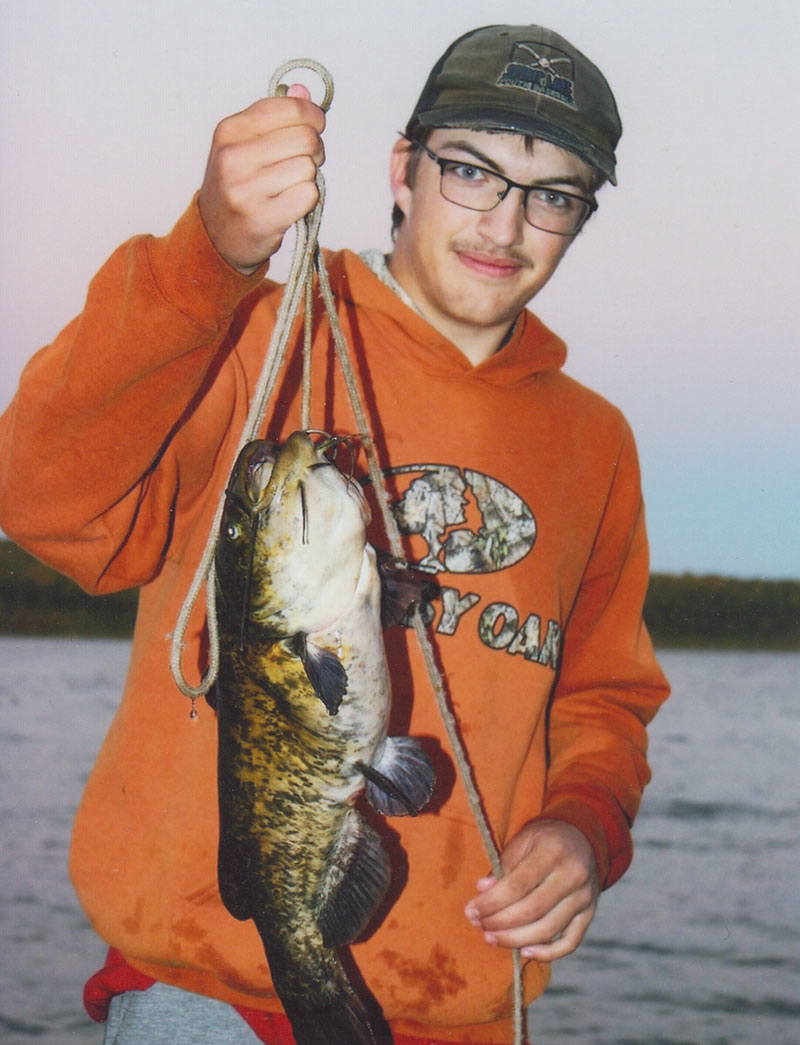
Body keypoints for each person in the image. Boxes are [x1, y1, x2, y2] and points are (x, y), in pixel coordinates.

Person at [0, 23, 670, 1045]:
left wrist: (584, 825)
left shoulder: (593, 440)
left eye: (553, 193)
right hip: (208, 990)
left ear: (581, 216)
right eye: (469, 170)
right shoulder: (248, 340)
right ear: (402, 168)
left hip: (464, 1004)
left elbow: (603, 697)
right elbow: (43, 499)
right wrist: (207, 255)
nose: (504, 220)